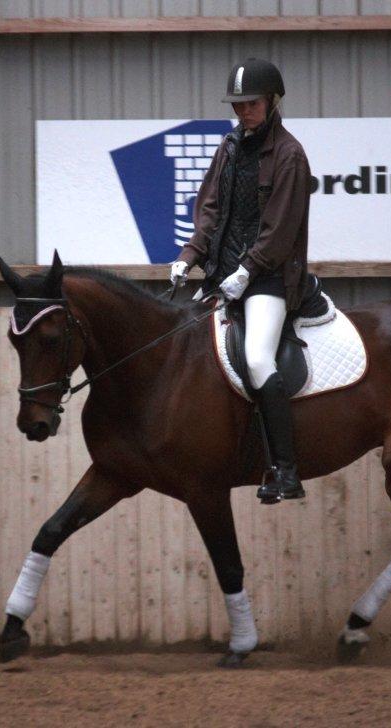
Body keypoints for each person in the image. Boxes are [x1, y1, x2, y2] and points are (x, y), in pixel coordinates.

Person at [169, 58, 312, 503]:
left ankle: (287, 471)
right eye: (237, 105)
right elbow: (210, 209)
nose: (243, 112)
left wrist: (247, 272)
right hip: (221, 274)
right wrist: (188, 256)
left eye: (251, 103)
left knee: (256, 359)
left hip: (268, 279)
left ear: (272, 102)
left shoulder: (289, 155)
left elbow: (280, 229)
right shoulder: (229, 147)